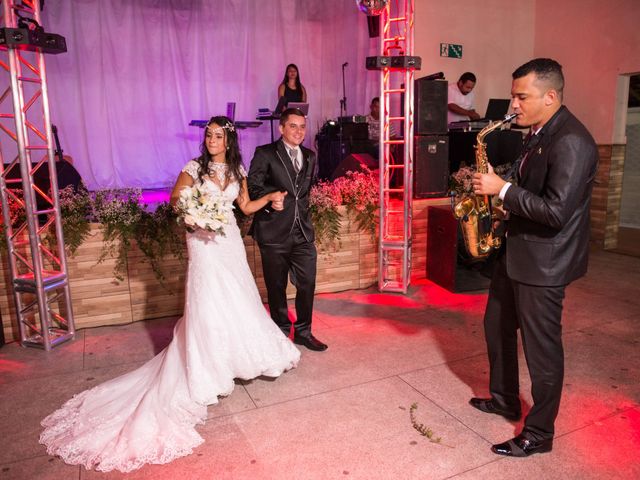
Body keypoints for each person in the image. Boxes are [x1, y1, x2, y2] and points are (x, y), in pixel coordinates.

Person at [39, 116, 301, 472]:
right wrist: (194, 216)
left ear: (228, 140)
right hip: (203, 244)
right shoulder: (193, 168)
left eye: (218, 135)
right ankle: (210, 367)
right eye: (208, 135)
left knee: (239, 298)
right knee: (208, 301)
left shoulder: (238, 169)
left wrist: (269, 197)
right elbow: (177, 200)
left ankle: (239, 357)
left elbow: (244, 207)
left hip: (229, 244)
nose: (211, 140)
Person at [470, 58, 598, 457]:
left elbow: (557, 212)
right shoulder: (540, 131)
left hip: (545, 263)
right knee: (497, 325)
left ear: (551, 96)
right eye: (513, 96)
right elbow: (534, 185)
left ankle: (539, 433)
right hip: (518, 252)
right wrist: (502, 191)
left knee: (542, 351)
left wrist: (503, 190)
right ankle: (505, 398)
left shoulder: (573, 140)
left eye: (521, 97)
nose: (514, 105)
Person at [248, 108, 327, 352]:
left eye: (302, 126)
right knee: (276, 286)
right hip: (273, 231)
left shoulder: (311, 156)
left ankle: (304, 332)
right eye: (293, 126)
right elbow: (252, 187)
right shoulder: (265, 153)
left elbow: (302, 195)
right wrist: (271, 199)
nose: (298, 131)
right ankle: (281, 332)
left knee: (307, 283)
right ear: (281, 128)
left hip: (302, 232)